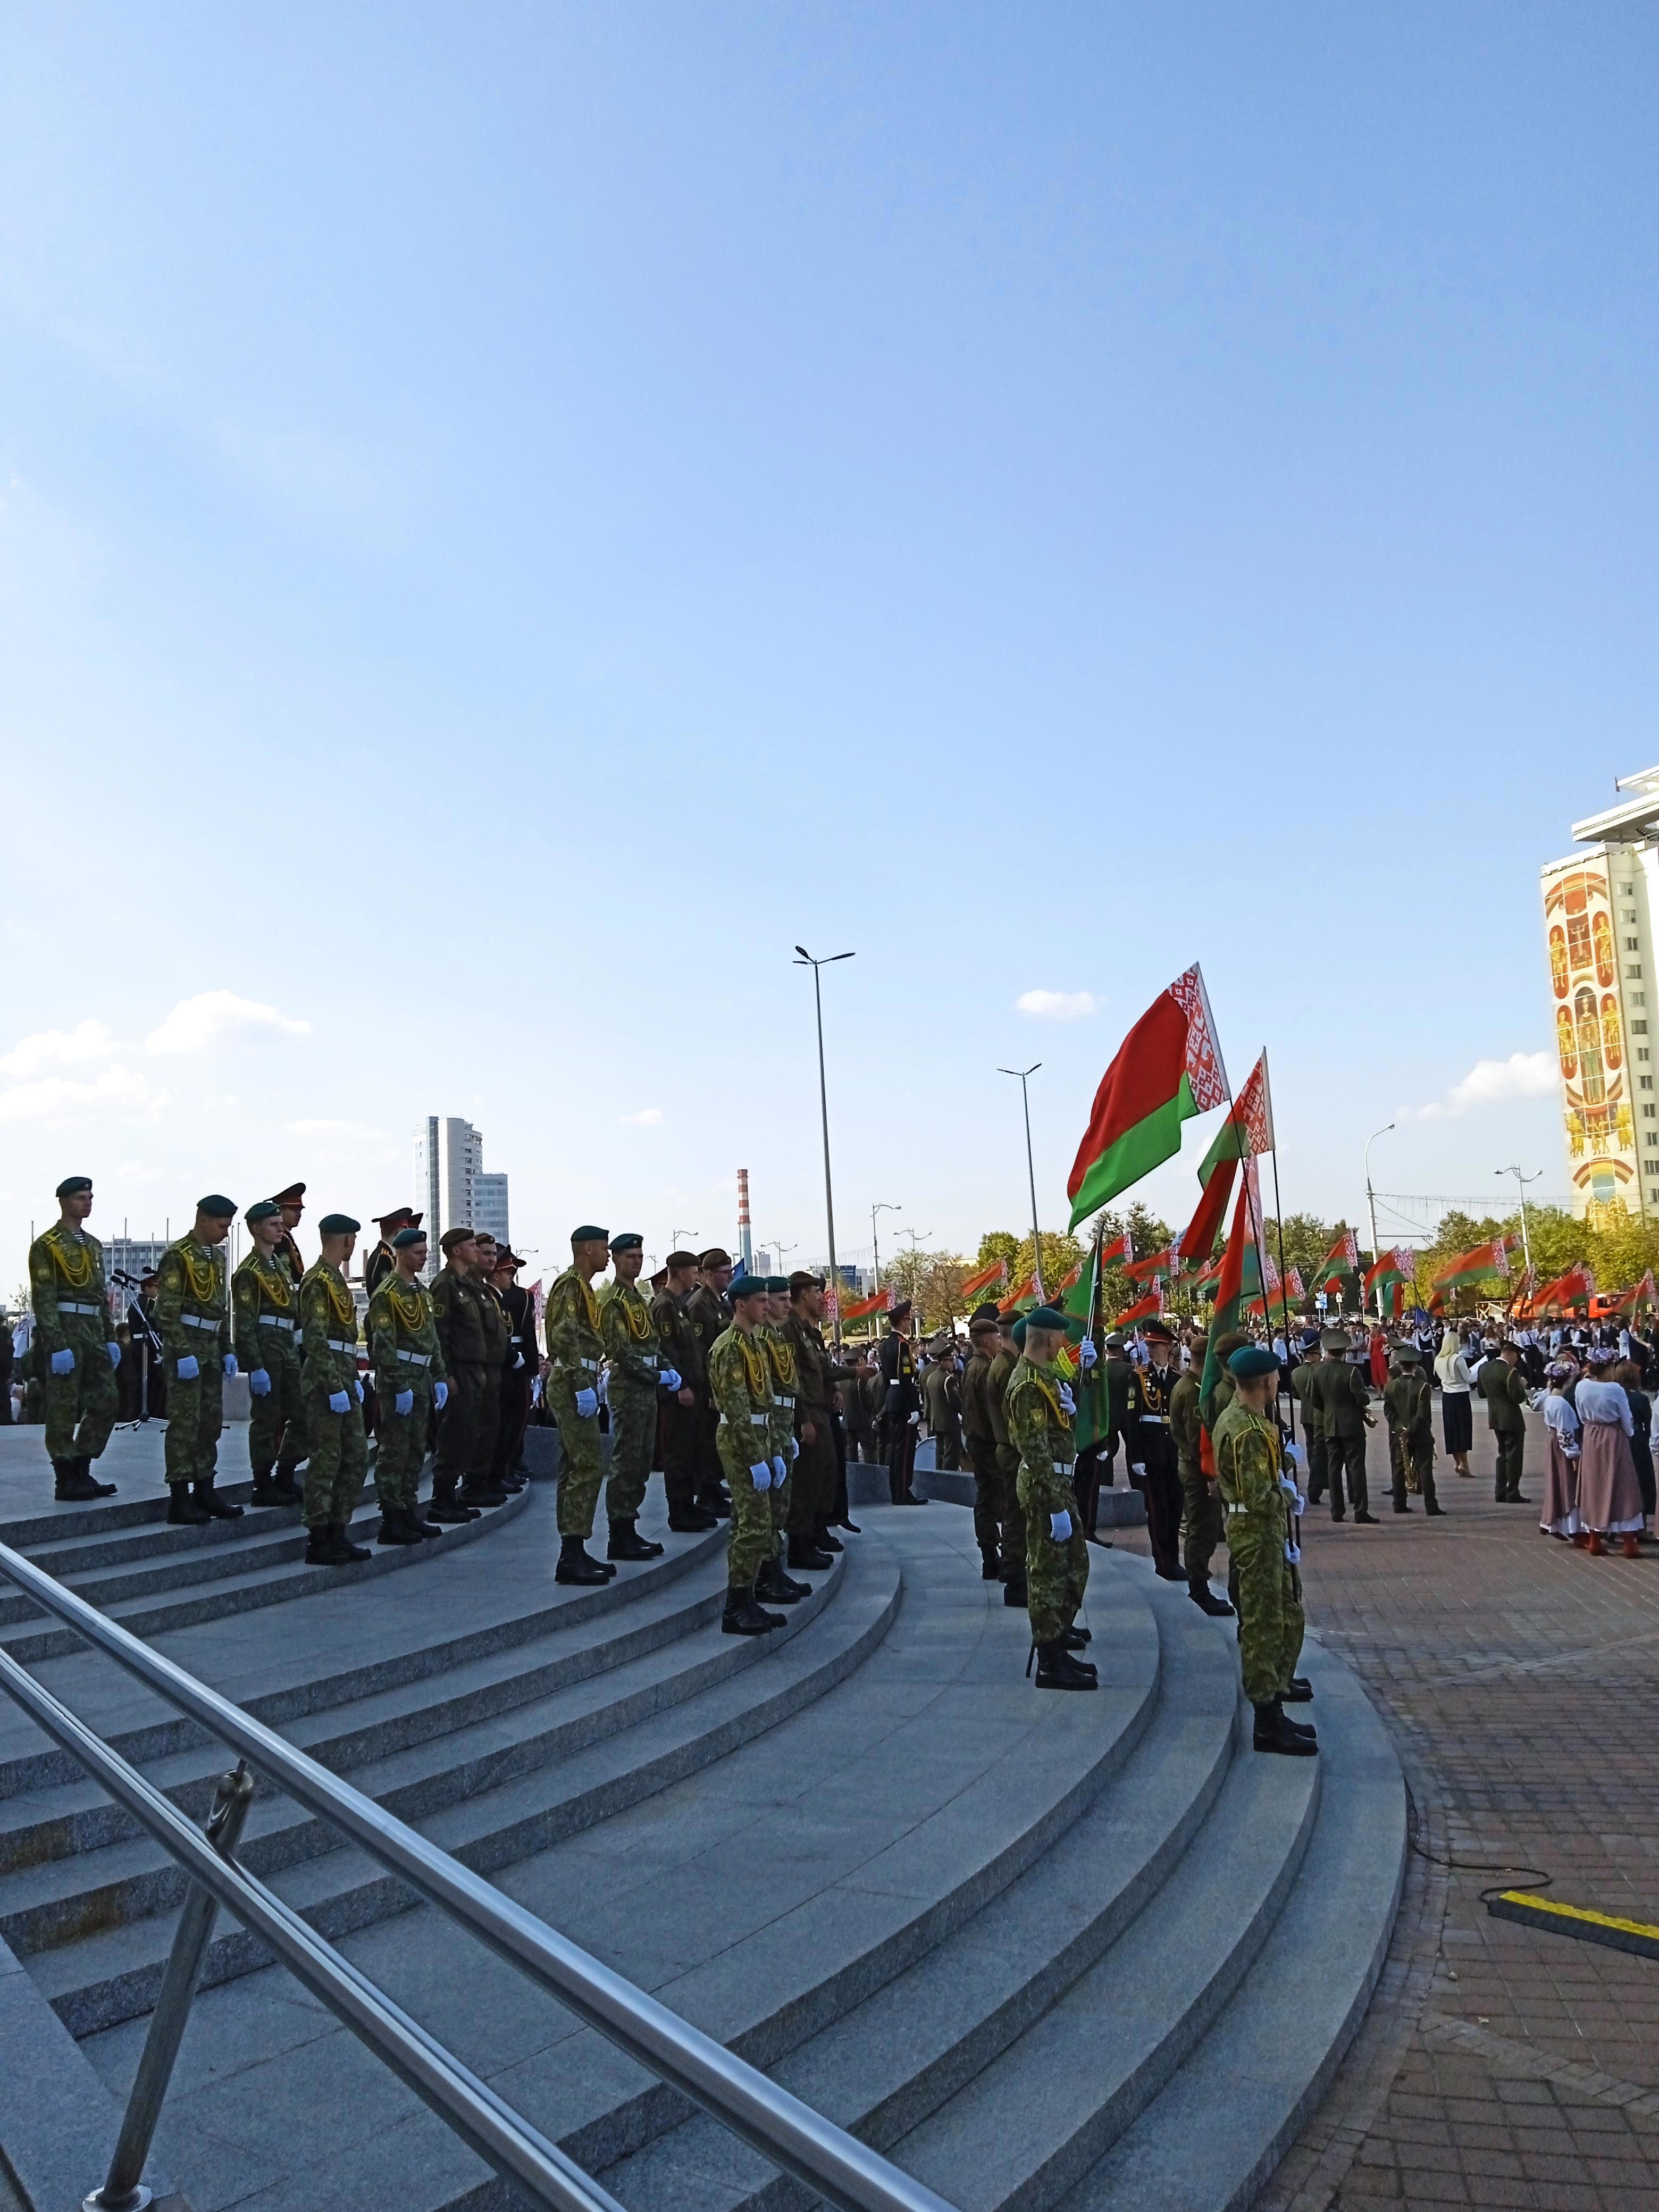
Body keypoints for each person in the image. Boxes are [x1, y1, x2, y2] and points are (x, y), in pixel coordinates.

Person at [1211, 1346, 1316, 1758]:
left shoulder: (1243, 1420)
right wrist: (1285, 1495)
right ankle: (1267, 1720)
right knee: (1263, 1623)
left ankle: (1276, 1695)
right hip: (1257, 1533)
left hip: (1259, 1533)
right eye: (1276, 1378)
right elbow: (1257, 1496)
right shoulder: (1249, 1431)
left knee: (1283, 1613)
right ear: (1268, 1382)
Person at [1004, 1306, 1095, 1691]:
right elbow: (1034, 1448)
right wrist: (1056, 1505)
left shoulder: (1043, 1377)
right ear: (1050, 1340)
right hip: (1046, 1487)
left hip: (1057, 1482)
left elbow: (1056, 1432)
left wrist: (1072, 1403)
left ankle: (1057, 1640)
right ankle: (1050, 1660)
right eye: (1061, 1338)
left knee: (1071, 1567)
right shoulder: (1026, 1383)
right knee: (1047, 1573)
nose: (1065, 1344)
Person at [28, 1174, 121, 1500]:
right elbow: (44, 1298)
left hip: (94, 1331)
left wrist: (110, 1337)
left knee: (108, 1401)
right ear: (65, 1202)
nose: (88, 1203)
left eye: (91, 1197)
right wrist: (55, 1344)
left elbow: (100, 1296)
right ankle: (64, 1476)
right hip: (66, 1330)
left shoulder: (93, 1245)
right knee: (64, 1407)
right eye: (82, 1198)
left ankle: (82, 1466)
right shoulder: (47, 1245)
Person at [155, 1195, 243, 1525]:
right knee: (185, 1423)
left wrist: (228, 1350)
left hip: (210, 1347)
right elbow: (167, 1311)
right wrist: (181, 1352)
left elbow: (219, 1310)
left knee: (209, 1422)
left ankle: (205, 1487)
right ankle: (179, 1497)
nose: (225, 1232)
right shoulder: (179, 1257)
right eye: (222, 1225)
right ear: (203, 1220)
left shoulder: (217, 1260)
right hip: (187, 1349)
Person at [708, 1273, 787, 1636]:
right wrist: (755, 1457)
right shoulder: (730, 1347)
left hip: (758, 1435)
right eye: (760, 1301)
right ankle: (735, 1606)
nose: (767, 1306)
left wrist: (774, 1451)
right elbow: (738, 1409)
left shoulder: (753, 1343)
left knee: (754, 1522)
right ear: (741, 1305)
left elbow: (763, 1404)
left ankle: (749, 1597)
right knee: (752, 1524)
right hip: (741, 1440)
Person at [544, 1226, 618, 1585]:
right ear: (588, 1249)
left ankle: (572, 1551)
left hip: (581, 1378)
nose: (608, 1255)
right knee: (587, 1464)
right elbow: (563, 1336)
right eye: (604, 1249)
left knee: (574, 1466)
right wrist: (580, 1385)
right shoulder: (571, 1285)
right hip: (575, 1381)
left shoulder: (584, 1287)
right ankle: (572, 1552)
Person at [365, 1224, 446, 1545]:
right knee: (395, 1449)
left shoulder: (422, 1293)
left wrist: (439, 1375)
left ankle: (409, 1509)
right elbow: (382, 1344)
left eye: (425, 1252)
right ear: (400, 1254)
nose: (424, 1258)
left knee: (415, 1448)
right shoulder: (386, 1295)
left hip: (422, 1376)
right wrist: (398, 1385)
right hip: (399, 1378)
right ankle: (391, 1516)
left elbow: (432, 1339)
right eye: (418, 1253)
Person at [598, 1234, 675, 1561]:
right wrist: (657, 1376)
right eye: (630, 1256)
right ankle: (620, 1532)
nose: (637, 1261)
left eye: (640, 1256)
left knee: (642, 1460)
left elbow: (651, 1344)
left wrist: (667, 1367)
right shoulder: (614, 1301)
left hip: (645, 1391)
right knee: (626, 1460)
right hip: (629, 1390)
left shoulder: (637, 1299)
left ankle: (630, 1526)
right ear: (615, 1259)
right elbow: (621, 1352)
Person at [784, 1272, 865, 1560]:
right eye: (816, 1292)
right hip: (807, 1410)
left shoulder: (809, 1330)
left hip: (821, 1408)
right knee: (808, 1478)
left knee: (825, 1474)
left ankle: (818, 1528)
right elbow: (792, 1378)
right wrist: (803, 1416)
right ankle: (800, 1541)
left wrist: (834, 1388)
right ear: (803, 1295)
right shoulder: (789, 1328)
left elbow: (819, 1370)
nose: (821, 1298)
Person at [232, 1199, 306, 1506]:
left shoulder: (280, 1265)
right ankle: (263, 1483)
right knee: (266, 1419)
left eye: (280, 1224)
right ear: (256, 1229)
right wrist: (255, 1365)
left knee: (302, 1414)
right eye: (274, 1225)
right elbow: (245, 1324)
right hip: (265, 1348)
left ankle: (285, 1472)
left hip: (286, 1346)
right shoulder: (249, 1271)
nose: (280, 1229)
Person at [651, 1251, 718, 1531]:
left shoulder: (678, 1305)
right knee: (678, 1452)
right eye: (694, 1271)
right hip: (680, 1393)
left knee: (690, 1449)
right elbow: (668, 1351)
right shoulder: (665, 1305)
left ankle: (688, 1505)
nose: (697, 1276)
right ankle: (678, 1511)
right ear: (681, 1273)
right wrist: (683, 1385)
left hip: (691, 1390)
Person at [429, 1228, 489, 1525]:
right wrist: (447, 1374)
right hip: (459, 1371)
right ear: (455, 1251)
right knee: (453, 1435)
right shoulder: (445, 1285)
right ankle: (441, 1499)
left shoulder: (466, 1284)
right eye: (470, 1245)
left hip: (473, 1369)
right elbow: (441, 1333)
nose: (476, 1249)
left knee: (467, 1434)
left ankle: (453, 1496)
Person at [1170, 1328, 1233, 1614]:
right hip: (1198, 1471)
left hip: (1192, 1466)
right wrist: (1210, 1476)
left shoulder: (1186, 1385)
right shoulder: (1193, 1392)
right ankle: (1199, 1589)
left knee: (1203, 1528)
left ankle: (1199, 1585)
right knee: (1202, 1530)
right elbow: (1198, 1440)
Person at [1122, 1319, 1185, 1579]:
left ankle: (1174, 1559)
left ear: (1168, 1348)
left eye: (1155, 1345)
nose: (1149, 1349)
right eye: (1148, 1345)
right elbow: (1131, 1419)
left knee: (1175, 1509)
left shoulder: (1176, 1379)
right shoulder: (1138, 1377)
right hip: (1151, 1456)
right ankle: (1163, 1562)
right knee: (1158, 1511)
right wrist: (1136, 1456)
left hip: (1173, 1455)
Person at [1576, 1345, 1645, 1556]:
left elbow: (1581, 1415)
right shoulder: (1615, 1389)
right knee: (1623, 1484)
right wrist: (1628, 1432)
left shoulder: (1582, 1386)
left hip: (1591, 1435)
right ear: (1610, 1366)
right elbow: (1627, 1420)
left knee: (1594, 1484)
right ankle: (1629, 1542)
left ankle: (1595, 1538)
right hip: (1614, 1436)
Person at [686, 1249, 736, 1515]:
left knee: (716, 1443)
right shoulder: (700, 1306)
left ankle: (714, 1487)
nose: (729, 1277)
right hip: (708, 1387)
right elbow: (701, 1352)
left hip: (723, 1385)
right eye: (724, 1273)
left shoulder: (722, 1302)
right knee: (706, 1443)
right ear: (708, 1275)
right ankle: (707, 1495)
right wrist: (710, 1390)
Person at [465, 1232, 512, 1509]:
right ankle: (472, 1485)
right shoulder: (462, 1287)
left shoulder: (482, 1289)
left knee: (491, 1429)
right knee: (476, 1431)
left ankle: (483, 1481)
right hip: (475, 1371)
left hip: (491, 1370)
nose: (491, 1259)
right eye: (485, 1253)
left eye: (494, 1255)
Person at [1311, 1329, 1377, 1522]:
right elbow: (1362, 1399)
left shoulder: (1317, 1371)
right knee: (1356, 1469)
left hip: (1330, 1425)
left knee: (1333, 1469)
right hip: (1352, 1426)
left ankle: (1336, 1511)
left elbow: (1316, 1401)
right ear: (1344, 1352)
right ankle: (1360, 1511)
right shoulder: (1352, 1371)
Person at [960, 1308, 1007, 1578]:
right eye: (997, 1338)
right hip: (988, 1444)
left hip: (978, 1442)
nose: (1000, 1342)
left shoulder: (972, 1366)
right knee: (993, 1500)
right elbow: (992, 1412)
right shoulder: (985, 1369)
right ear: (987, 1341)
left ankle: (990, 1556)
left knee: (987, 1499)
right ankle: (992, 1557)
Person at [985, 1317, 1027, 1605]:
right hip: (1011, 1450)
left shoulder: (1002, 1363)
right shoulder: (1007, 1368)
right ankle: (1015, 1580)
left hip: (1006, 1448)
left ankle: (1014, 1575)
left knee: (1014, 1514)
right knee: (1016, 1516)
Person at [1382, 1344, 1443, 1516]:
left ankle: (1399, 1503)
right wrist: (1411, 1429)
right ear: (1415, 1366)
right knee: (1425, 1469)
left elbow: (1389, 1411)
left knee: (1398, 1468)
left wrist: (1400, 1428)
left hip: (1398, 1433)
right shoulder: (1423, 1387)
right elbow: (1423, 1413)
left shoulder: (1391, 1386)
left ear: (1400, 1365)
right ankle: (1431, 1505)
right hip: (1420, 1433)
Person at [878, 1300, 926, 1505]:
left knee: (896, 1449)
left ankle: (896, 1490)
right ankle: (903, 1492)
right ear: (902, 1322)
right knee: (905, 1450)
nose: (909, 1324)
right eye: (908, 1320)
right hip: (903, 1400)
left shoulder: (886, 1344)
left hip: (893, 1397)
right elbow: (906, 1378)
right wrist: (914, 1408)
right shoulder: (902, 1345)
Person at [1478, 1338, 1530, 1503]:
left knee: (1502, 1455)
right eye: (1517, 1357)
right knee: (1514, 1457)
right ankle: (1512, 1491)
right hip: (1512, 1419)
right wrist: (1522, 1385)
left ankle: (1500, 1490)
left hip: (1495, 1417)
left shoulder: (1484, 1368)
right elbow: (1518, 1397)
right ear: (1512, 1354)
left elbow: (1481, 1393)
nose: (1517, 1361)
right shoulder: (1510, 1372)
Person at [1539, 1362, 1582, 1541]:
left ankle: (1553, 1523)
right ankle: (1570, 1525)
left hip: (1554, 1442)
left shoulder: (1550, 1398)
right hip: (1561, 1446)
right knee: (1568, 1484)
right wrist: (1573, 1454)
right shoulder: (1561, 1404)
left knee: (1557, 1483)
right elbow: (1565, 1433)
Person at [1614, 1359, 1656, 1534]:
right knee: (1642, 1481)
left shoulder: (1616, 1395)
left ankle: (1617, 1525)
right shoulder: (1641, 1399)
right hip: (1638, 1442)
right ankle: (1641, 1527)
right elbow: (1649, 1425)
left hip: (1619, 1439)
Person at [1287, 1334, 1328, 1509]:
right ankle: (1321, 1478)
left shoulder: (1296, 1372)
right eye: (1318, 1354)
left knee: (1312, 1446)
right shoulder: (1320, 1370)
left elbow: (1295, 1393)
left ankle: (1315, 1474)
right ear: (1312, 1354)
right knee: (1323, 1449)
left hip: (1305, 1413)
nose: (1320, 1357)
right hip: (1321, 1414)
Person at [1435, 1326, 1475, 1478]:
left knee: (1452, 1430)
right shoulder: (1458, 1359)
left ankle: (1457, 1462)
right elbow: (1468, 1378)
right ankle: (1464, 1464)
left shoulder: (1438, 1359)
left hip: (1447, 1396)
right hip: (1461, 1396)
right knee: (1463, 1430)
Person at [921, 1339, 963, 1470]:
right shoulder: (948, 1379)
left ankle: (939, 1479)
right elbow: (955, 1402)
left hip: (936, 1421)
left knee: (939, 1454)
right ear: (943, 1361)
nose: (953, 1363)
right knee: (951, 1456)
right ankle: (948, 1482)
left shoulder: (931, 1377)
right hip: (949, 1423)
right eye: (950, 1361)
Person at [362, 1209, 419, 1300]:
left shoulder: (389, 1255)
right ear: (398, 1232)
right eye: (405, 1230)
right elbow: (385, 1294)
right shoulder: (383, 1258)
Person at [270, 1182, 308, 1279]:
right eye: (294, 1210)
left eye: (300, 1210)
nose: (299, 1215)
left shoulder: (287, 1238)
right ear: (280, 1211)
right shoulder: (279, 1240)